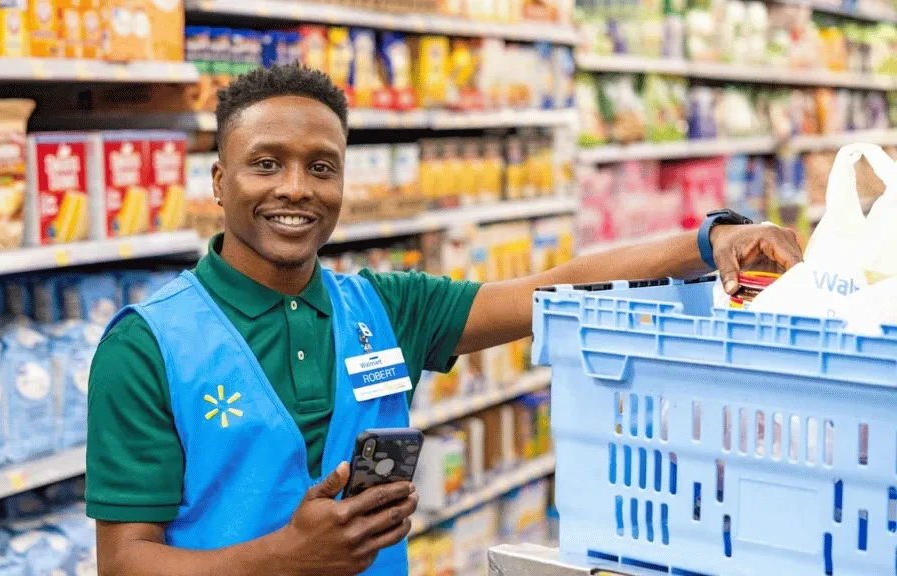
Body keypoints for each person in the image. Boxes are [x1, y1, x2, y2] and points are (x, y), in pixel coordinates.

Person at [86, 65, 803, 576]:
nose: (296, 189)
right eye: (265, 164)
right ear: (219, 181)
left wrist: (714, 239)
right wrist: (288, 560)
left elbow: (557, 284)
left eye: (322, 167)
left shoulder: (388, 308)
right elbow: (125, 563)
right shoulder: (147, 345)